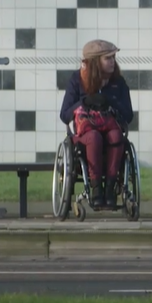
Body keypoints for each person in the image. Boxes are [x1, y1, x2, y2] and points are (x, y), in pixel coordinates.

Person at [60, 39, 134, 207]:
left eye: (113, 57)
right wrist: (85, 102)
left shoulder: (118, 83)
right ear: (95, 62)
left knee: (116, 135)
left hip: (111, 132)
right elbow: (65, 114)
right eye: (108, 58)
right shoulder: (77, 80)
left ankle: (110, 189)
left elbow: (128, 116)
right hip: (84, 137)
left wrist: (109, 101)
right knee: (94, 137)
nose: (112, 62)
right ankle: (95, 189)